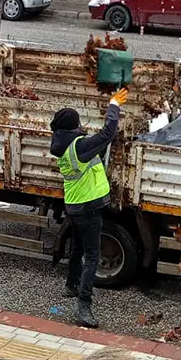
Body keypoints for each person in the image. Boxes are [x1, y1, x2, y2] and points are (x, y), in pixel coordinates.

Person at [50, 87, 128, 329]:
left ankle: (70, 285)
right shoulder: (79, 148)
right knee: (92, 257)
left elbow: (89, 141)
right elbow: (107, 133)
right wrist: (113, 105)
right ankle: (84, 307)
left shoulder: (63, 144)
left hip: (74, 205)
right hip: (88, 207)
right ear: (74, 126)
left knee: (77, 248)